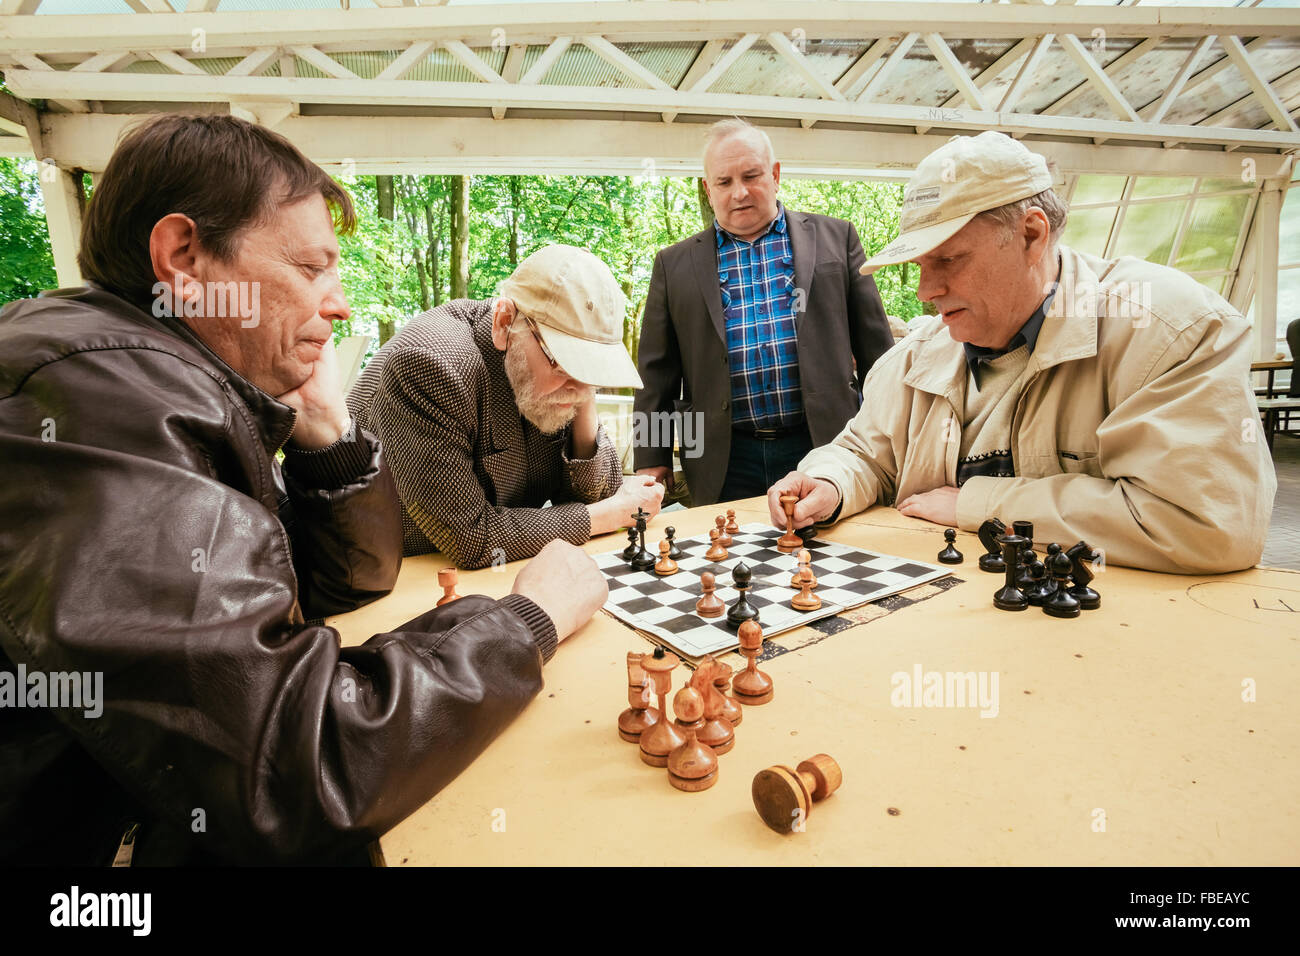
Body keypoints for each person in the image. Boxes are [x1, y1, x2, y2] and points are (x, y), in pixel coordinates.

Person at [0, 114, 608, 866]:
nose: (342, 303)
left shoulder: (153, 379)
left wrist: (325, 429)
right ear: (184, 257)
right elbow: (299, 770)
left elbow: (339, 590)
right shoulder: (100, 410)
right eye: (312, 268)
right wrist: (528, 622)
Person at [769, 131, 1276, 574]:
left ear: (1031, 235)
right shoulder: (918, 353)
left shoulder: (1168, 329)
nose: (925, 290)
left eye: (947, 259)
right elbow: (866, 454)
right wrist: (828, 483)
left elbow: (1211, 524)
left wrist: (982, 504)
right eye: (919, 265)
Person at [348, 245, 664, 569]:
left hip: (477, 575)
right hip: (380, 577)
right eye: (565, 361)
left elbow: (598, 495)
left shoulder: (561, 379)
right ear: (503, 322)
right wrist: (613, 513)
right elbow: (471, 539)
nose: (581, 388)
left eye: (593, 370)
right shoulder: (431, 365)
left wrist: (583, 386)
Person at [634, 117, 895, 506]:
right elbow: (657, 374)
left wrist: (893, 435)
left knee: (826, 559)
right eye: (724, 182)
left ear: (775, 175)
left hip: (828, 445)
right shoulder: (674, 265)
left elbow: (878, 353)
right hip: (722, 458)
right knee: (727, 560)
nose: (739, 192)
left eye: (751, 176)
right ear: (708, 190)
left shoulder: (836, 239)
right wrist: (651, 456)